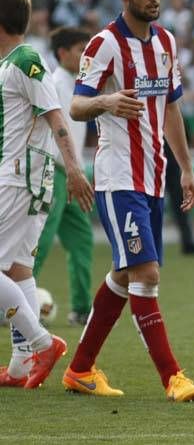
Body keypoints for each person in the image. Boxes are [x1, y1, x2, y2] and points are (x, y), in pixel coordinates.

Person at [64, 0, 194, 400]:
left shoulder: (165, 41)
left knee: (125, 276)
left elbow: (172, 109)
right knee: (145, 271)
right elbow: (76, 106)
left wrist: (185, 167)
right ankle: (173, 377)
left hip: (154, 178)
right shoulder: (104, 44)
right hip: (118, 176)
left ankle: (80, 369)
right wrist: (105, 102)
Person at [0, 0, 93, 389]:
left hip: (22, 176)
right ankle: (22, 364)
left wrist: (73, 168)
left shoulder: (26, 59)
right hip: (21, 175)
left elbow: (57, 118)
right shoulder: (9, 64)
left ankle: (42, 342)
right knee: (19, 270)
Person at [32, 27, 94, 327]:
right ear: (62, 53)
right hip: (54, 173)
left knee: (82, 240)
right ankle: (12, 304)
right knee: (39, 241)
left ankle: (82, 308)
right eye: (81, 49)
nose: (85, 56)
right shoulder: (54, 85)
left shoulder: (80, 86)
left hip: (73, 175)